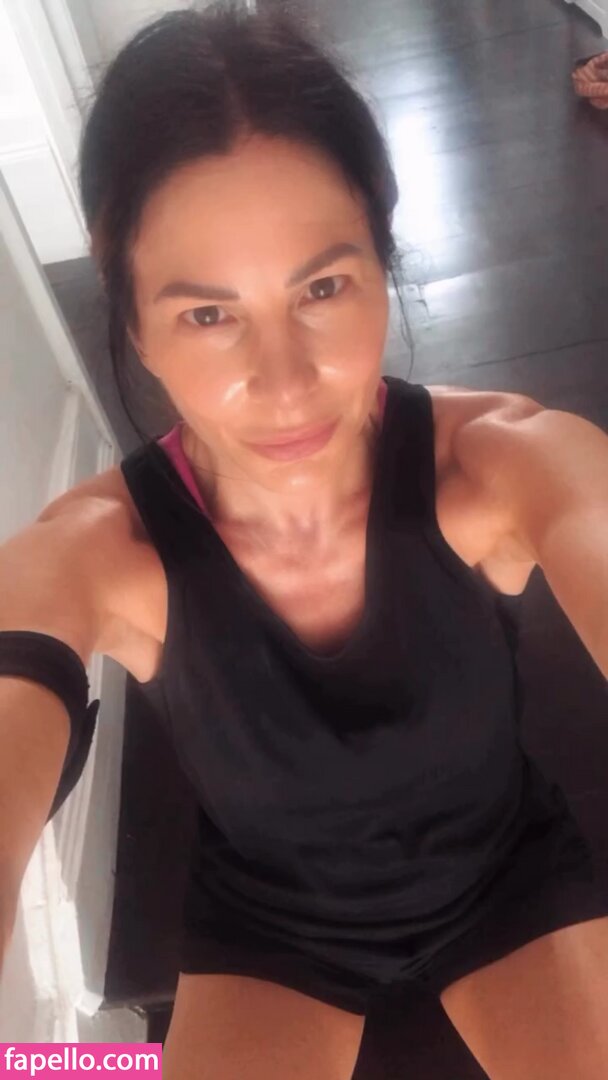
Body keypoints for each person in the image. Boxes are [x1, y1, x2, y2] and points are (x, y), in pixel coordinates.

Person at [1, 3, 608, 1077]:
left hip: (506, 877)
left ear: (382, 259)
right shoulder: (99, 551)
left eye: (322, 287)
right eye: (207, 314)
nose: (283, 385)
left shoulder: (496, 462)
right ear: (133, 320)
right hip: (270, 933)